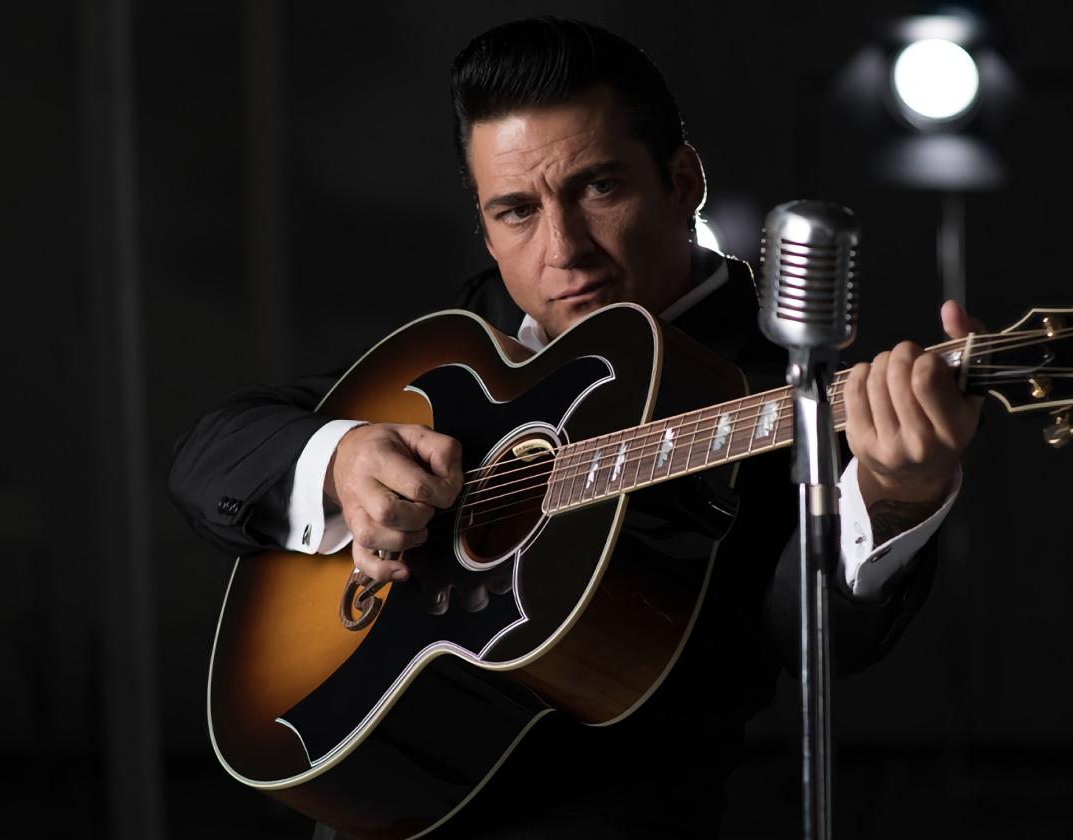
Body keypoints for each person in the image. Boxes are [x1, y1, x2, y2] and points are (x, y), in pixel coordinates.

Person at [169, 16, 982, 838]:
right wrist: (339, 459)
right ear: (483, 223)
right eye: (516, 211)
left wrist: (894, 495)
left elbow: (813, 641)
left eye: (599, 188)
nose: (563, 251)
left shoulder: (783, 381)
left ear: (683, 179)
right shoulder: (464, 342)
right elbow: (213, 452)